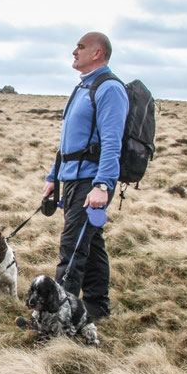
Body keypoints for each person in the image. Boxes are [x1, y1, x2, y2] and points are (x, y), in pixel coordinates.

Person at [42, 32, 129, 320]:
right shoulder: (83, 88)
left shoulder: (109, 89)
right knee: (90, 245)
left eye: (80, 46)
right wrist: (54, 177)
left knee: (73, 247)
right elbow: (68, 141)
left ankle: (56, 318)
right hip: (73, 180)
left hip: (92, 182)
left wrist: (102, 185)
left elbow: (112, 141)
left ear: (97, 53)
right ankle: (97, 307)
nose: (73, 51)